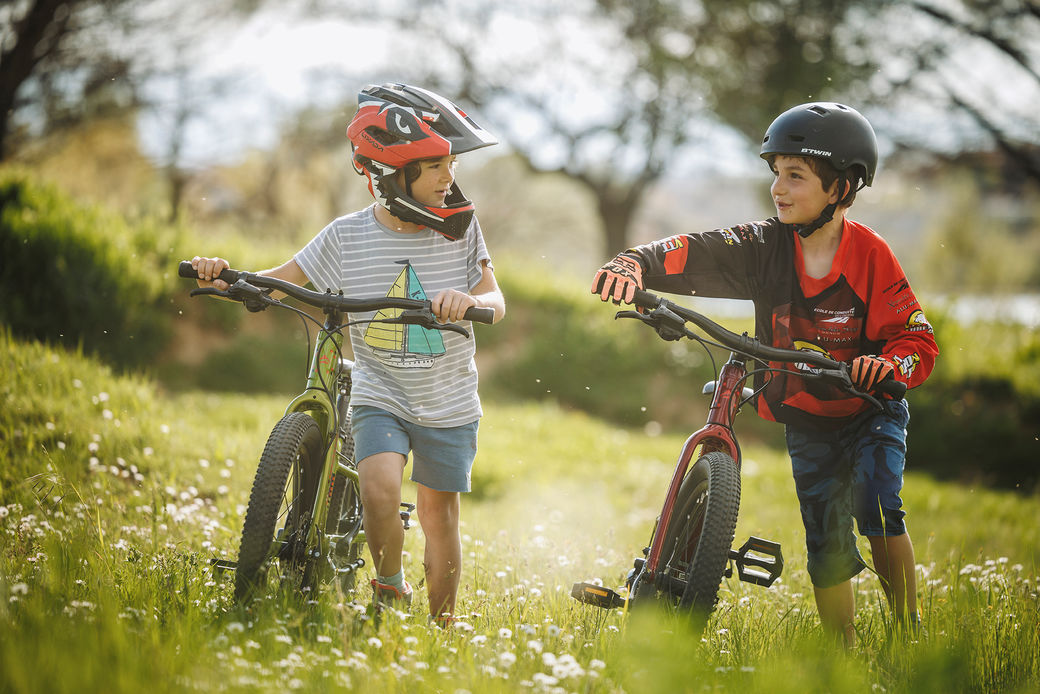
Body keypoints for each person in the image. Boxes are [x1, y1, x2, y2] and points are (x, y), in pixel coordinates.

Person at [591, 102, 938, 647]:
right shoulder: (764, 244)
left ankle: (907, 631)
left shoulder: (872, 256)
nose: (778, 188)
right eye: (775, 173)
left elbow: (917, 339)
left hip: (869, 407)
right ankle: (841, 654)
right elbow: (694, 252)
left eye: (795, 176)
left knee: (875, 502)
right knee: (824, 536)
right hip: (805, 413)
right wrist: (634, 262)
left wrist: (886, 364)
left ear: (841, 189)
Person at [193, 83, 505, 627]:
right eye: (434, 167)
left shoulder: (462, 232)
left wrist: (468, 300)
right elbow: (280, 281)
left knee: (438, 516)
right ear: (391, 175)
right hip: (381, 389)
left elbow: (495, 301)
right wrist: (227, 276)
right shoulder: (346, 236)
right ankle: (389, 589)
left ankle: (443, 624)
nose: (448, 177)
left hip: (448, 399)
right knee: (380, 487)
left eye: (450, 164)